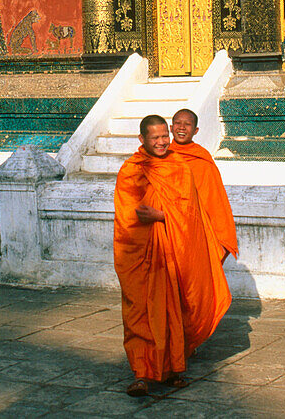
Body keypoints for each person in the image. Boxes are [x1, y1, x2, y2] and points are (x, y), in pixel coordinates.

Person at [113, 113, 231, 397]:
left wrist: (163, 215)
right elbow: (128, 214)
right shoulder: (132, 169)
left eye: (164, 136)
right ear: (142, 140)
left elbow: (192, 214)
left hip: (173, 253)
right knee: (140, 311)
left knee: (173, 309)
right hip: (141, 254)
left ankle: (174, 368)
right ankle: (141, 374)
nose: (163, 141)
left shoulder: (180, 166)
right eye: (155, 138)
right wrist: (153, 216)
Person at [169, 108, 239, 261]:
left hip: (196, 233)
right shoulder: (161, 156)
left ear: (195, 130)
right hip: (167, 230)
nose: (181, 128)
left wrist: (221, 239)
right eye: (177, 123)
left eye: (187, 124)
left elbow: (215, 202)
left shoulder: (202, 160)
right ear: (171, 127)